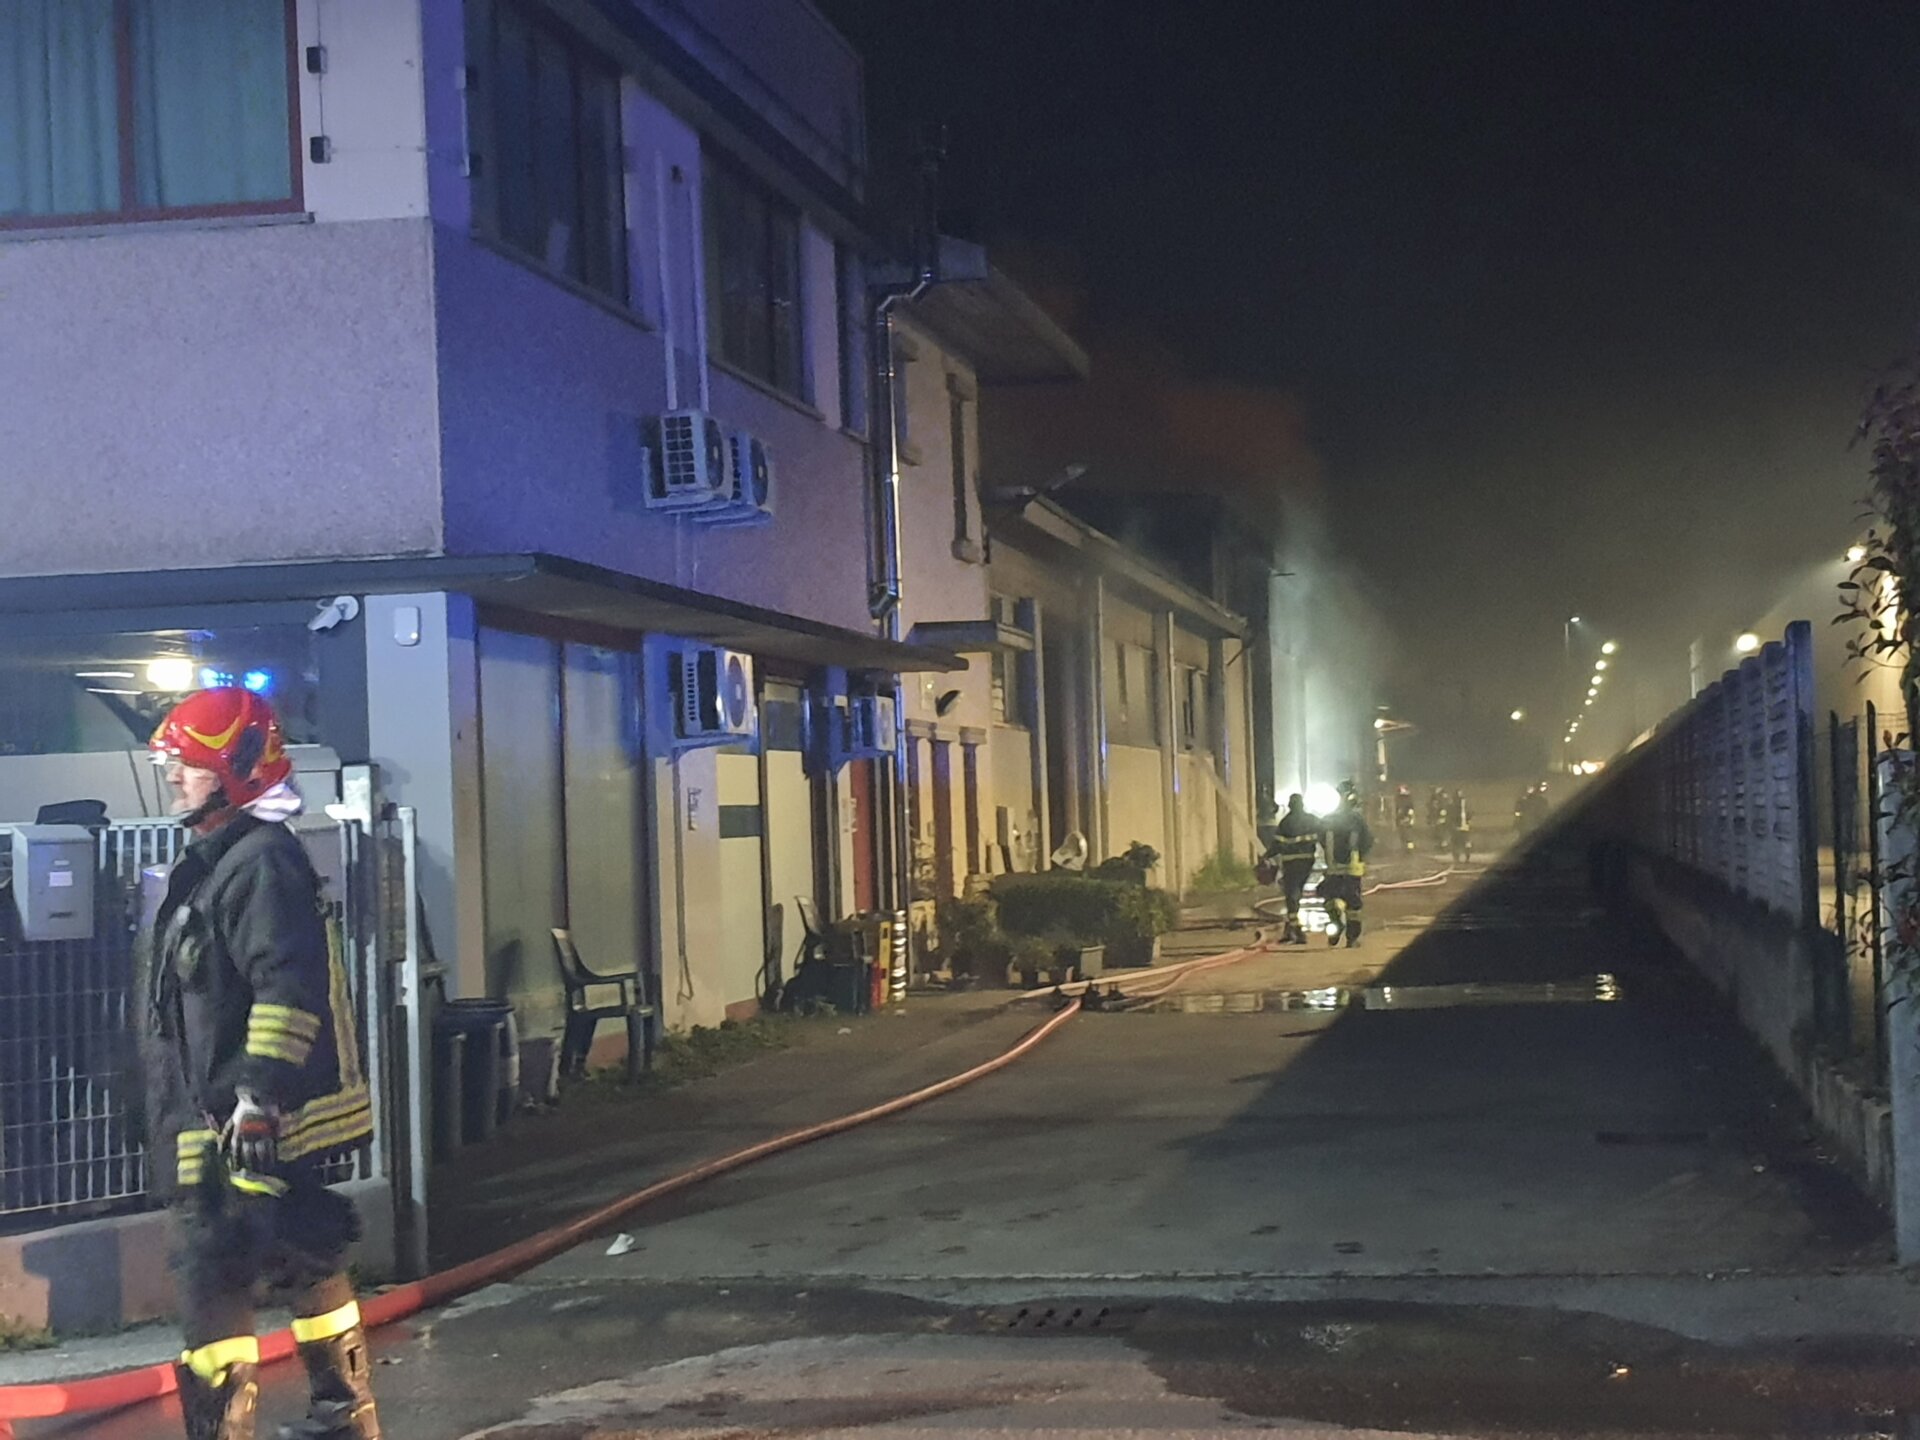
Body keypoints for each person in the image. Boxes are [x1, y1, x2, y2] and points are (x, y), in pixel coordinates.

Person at [143, 688, 381, 1440]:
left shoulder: (259, 864)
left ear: (237, 772)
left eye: (190, 764)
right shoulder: (216, 863)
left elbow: (288, 988)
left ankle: (241, 1428)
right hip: (217, 1114)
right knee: (300, 1250)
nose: (174, 776)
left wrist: (259, 1097)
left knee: (211, 1272)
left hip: (237, 1118)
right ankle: (345, 1415)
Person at [1319, 780, 1374, 947]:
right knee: (1353, 905)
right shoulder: (1357, 819)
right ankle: (1352, 938)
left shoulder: (1328, 819)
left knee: (1329, 898)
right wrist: (1360, 855)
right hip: (1352, 869)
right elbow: (1367, 840)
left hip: (1333, 868)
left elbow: (1321, 839)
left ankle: (1336, 925)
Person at [1262, 793, 1321, 944]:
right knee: (1297, 893)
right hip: (1307, 863)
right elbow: (1324, 837)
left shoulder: (1285, 822)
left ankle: (1297, 931)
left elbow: (1277, 845)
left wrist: (1265, 856)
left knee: (1291, 896)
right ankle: (1289, 930)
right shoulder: (1312, 820)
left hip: (1291, 864)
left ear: (1290, 805)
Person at [1447, 787, 1474, 865]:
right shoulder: (1453, 806)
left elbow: (1470, 814)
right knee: (1457, 843)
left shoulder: (1465, 806)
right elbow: (1450, 816)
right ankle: (1458, 858)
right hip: (1457, 827)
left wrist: (1468, 822)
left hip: (1463, 827)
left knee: (1465, 843)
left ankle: (1466, 858)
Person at [1393, 785, 1417, 853]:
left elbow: (1411, 809)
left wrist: (1409, 818)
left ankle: (1410, 849)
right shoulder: (1399, 799)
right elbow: (1397, 809)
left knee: (1408, 835)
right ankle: (1405, 848)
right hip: (1401, 819)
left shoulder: (1408, 799)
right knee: (1402, 834)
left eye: (1402, 789)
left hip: (1407, 818)